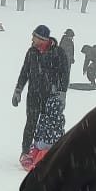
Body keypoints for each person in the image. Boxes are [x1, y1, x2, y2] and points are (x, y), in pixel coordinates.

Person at [13, 25, 67, 165]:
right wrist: (18, 90)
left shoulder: (58, 53)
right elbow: (24, 72)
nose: (32, 39)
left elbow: (64, 74)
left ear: (42, 39)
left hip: (50, 96)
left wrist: (62, 93)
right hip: (33, 94)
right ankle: (25, 153)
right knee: (31, 123)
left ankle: (47, 152)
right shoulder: (32, 52)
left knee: (48, 125)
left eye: (34, 37)